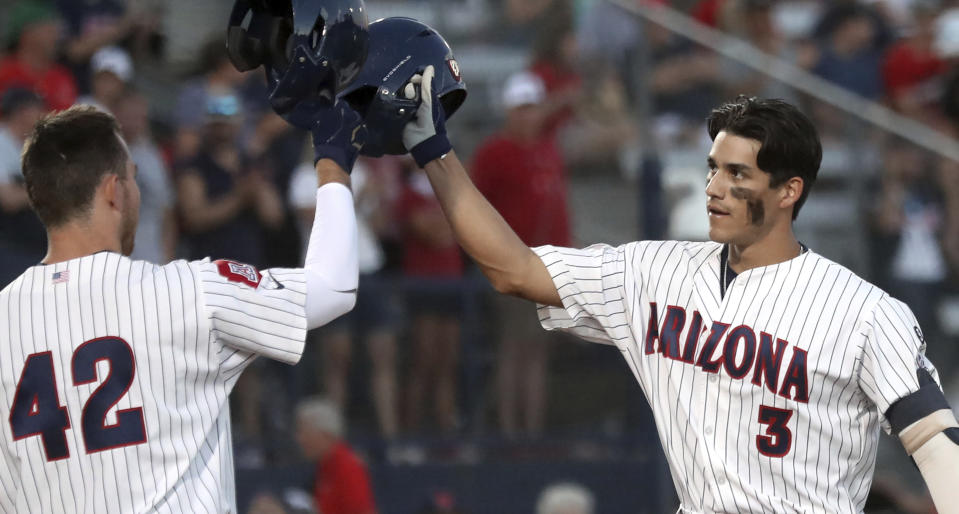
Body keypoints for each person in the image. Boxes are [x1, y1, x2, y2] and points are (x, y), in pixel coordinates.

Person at [399, 66, 959, 512]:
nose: (714, 187)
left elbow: (937, 445)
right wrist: (435, 155)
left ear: (789, 190)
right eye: (712, 168)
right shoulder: (654, 271)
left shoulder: (864, 311)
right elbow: (513, 270)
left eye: (737, 174)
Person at [0, 97, 365, 512]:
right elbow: (333, 288)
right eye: (132, 178)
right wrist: (333, 160)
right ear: (114, 191)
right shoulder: (186, 290)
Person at [472, 71, 570, 437]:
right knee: (515, 350)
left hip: (549, 268)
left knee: (536, 354)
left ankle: (532, 432)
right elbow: (475, 207)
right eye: (522, 109)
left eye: (533, 108)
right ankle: (512, 432)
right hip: (514, 266)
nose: (529, 116)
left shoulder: (547, 150)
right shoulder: (494, 153)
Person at [290, 156, 400, 439]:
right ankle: (334, 440)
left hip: (369, 266)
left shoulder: (362, 171)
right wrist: (356, 196)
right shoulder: (306, 174)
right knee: (337, 359)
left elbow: (379, 226)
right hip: (330, 271)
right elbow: (314, 219)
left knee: (383, 355)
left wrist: (377, 200)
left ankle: (390, 439)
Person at [295, 397, 377, 514]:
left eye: (304, 432)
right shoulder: (324, 466)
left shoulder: (347, 467)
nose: (300, 439)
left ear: (325, 434)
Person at [0, 88, 47, 289]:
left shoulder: (32, 146)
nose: (42, 113)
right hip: (8, 247)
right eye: (36, 108)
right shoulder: (2, 142)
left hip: (32, 248)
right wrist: (47, 191)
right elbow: (8, 199)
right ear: (21, 111)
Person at [0, 1, 77, 111]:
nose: (56, 37)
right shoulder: (4, 73)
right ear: (27, 34)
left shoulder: (62, 77)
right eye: (48, 30)